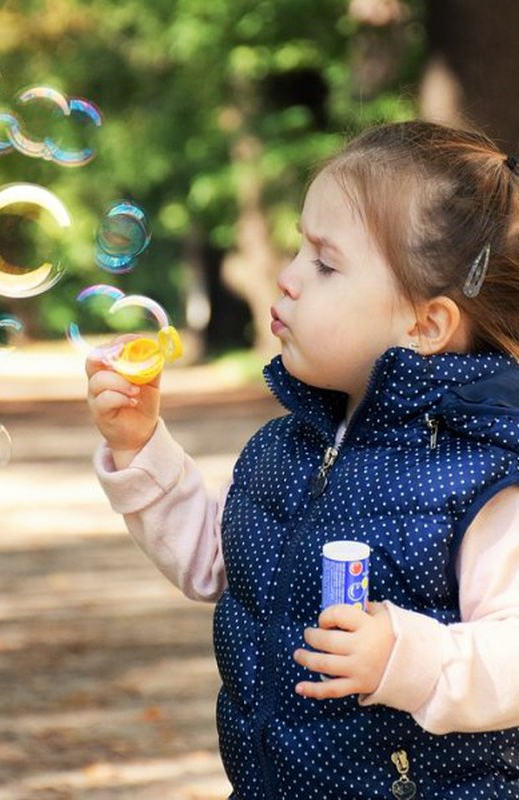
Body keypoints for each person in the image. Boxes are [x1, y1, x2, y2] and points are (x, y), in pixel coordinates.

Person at [86, 120, 519, 799]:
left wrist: (405, 657)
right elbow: (218, 563)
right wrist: (140, 446)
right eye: (297, 249)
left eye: (324, 262)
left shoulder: (482, 479)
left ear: (426, 324)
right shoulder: (287, 447)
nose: (286, 279)